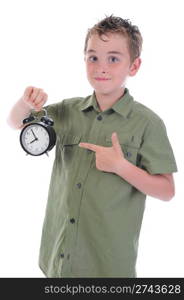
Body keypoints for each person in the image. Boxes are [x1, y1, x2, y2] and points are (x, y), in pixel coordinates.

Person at [7, 15, 177, 278]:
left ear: (134, 66)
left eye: (113, 58)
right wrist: (25, 103)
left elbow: (167, 191)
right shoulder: (67, 111)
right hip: (59, 258)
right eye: (92, 57)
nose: (101, 67)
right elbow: (16, 123)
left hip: (107, 265)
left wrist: (121, 167)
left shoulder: (148, 123)